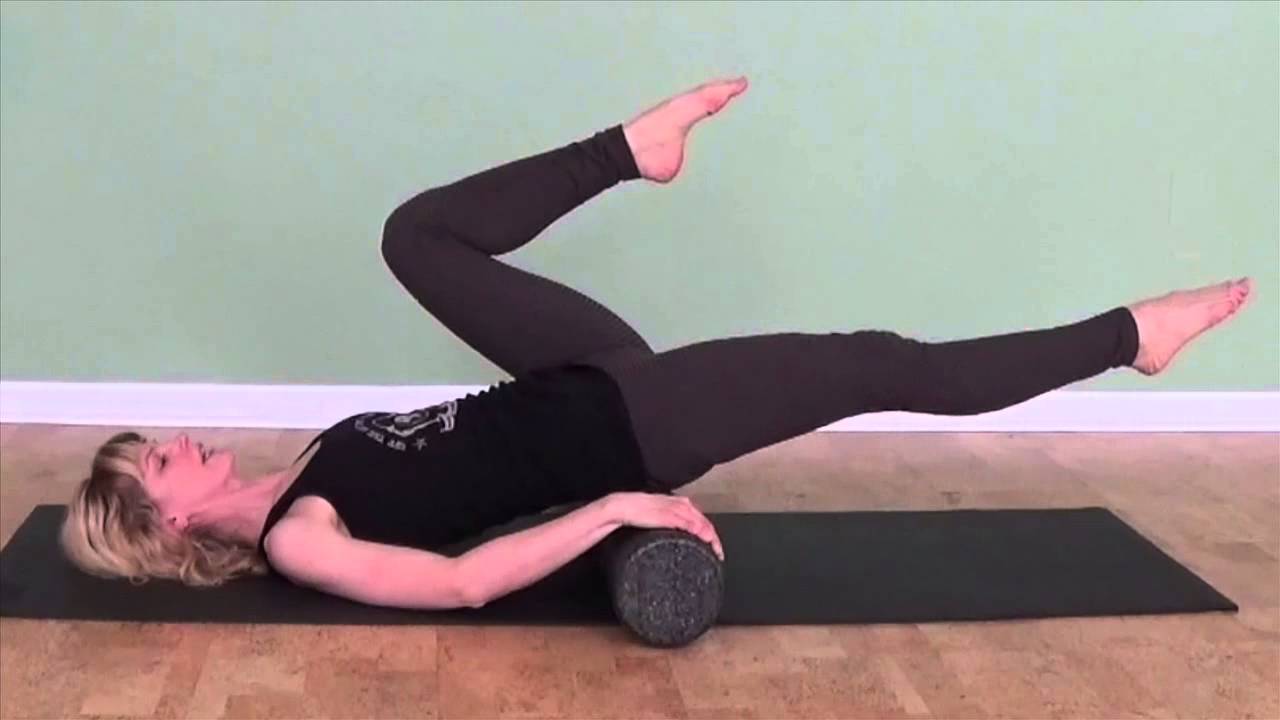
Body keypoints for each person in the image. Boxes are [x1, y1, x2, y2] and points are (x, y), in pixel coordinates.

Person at [60, 76, 1253, 610]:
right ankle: (1126, 337)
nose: (177, 442)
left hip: (574, 375)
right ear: (168, 522)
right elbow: (462, 584)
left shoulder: (302, 468)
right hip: (629, 430)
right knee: (878, 361)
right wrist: (614, 511)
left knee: (412, 237)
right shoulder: (301, 541)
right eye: (159, 461)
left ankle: (629, 151)